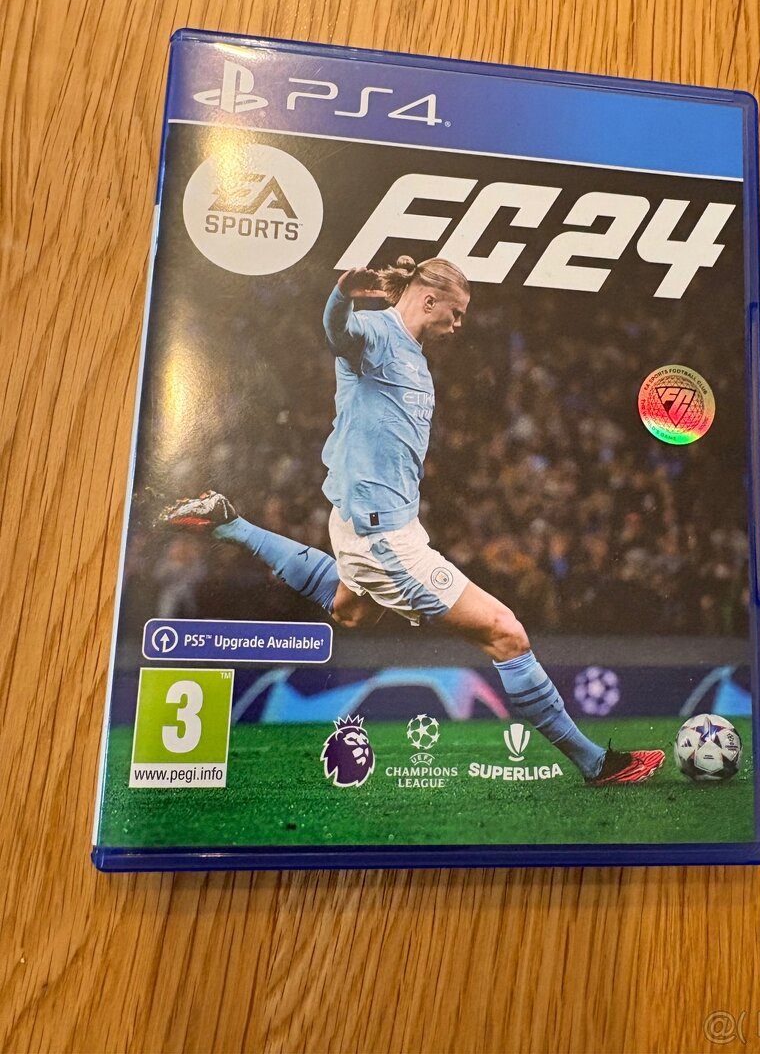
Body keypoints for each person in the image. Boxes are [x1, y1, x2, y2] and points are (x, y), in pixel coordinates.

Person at [161, 256, 664, 784]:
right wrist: (342, 294)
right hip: (382, 536)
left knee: (352, 610)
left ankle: (230, 523)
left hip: (378, 525)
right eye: (457, 311)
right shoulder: (377, 332)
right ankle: (596, 764)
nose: (460, 323)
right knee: (506, 633)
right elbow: (337, 333)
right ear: (429, 300)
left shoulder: (416, 360)